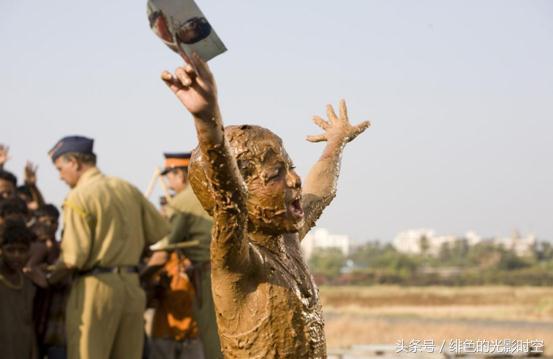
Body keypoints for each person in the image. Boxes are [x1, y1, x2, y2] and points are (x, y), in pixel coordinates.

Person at [161, 54, 369, 357]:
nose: (294, 180)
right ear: (242, 192)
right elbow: (228, 200)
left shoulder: (287, 240)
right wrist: (207, 118)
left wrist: (335, 144)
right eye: (276, 174)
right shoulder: (237, 260)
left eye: (291, 166)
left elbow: (320, 192)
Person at [47, 135, 171, 359]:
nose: (60, 177)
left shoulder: (79, 197)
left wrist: (48, 276)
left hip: (95, 289)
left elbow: (73, 258)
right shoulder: (127, 188)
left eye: (60, 168)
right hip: (132, 287)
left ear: (74, 162)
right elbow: (158, 232)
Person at [153, 152, 222, 358]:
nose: (169, 182)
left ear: (181, 175)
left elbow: (164, 250)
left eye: (170, 176)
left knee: (212, 339)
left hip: (208, 275)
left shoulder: (181, 202)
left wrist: (140, 277)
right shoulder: (214, 194)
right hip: (227, 272)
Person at [0, 219, 40, 359]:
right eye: (10, 250)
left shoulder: (28, 284)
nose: (17, 255)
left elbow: (30, 325)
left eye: (22, 250)